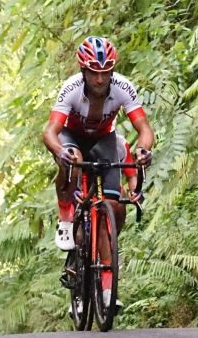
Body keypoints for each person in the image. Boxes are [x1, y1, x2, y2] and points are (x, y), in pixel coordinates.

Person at [43, 35, 154, 309]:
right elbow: (50, 132)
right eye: (94, 73)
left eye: (106, 73)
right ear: (84, 71)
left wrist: (142, 150)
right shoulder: (70, 89)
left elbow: (144, 129)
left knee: (111, 208)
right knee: (72, 157)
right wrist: (60, 152)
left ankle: (107, 291)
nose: (100, 79)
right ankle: (66, 217)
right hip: (72, 136)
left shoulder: (122, 88)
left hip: (104, 138)